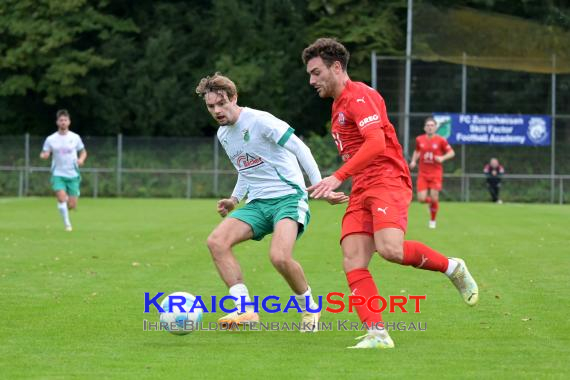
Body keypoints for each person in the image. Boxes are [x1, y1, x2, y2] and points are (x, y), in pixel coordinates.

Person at [302, 38, 478, 349]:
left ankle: (452, 267)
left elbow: (376, 144)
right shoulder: (338, 105)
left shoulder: (360, 97)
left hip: (387, 180)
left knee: (390, 250)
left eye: (316, 72)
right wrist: (337, 182)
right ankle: (378, 334)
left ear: (337, 67)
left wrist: (338, 176)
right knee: (353, 259)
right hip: (362, 187)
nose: (311, 80)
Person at [195, 73, 348, 332]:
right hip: (257, 203)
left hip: (288, 198)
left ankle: (310, 308)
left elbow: (301, 149)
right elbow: (246, 169)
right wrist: (234, 199)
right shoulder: (224, 134)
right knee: (217, 242)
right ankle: (245, 311)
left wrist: (320, 185)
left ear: (234, 98)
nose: (217, 111)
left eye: (221, 104)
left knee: (279, 257)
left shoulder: (260, 120)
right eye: (211, 106)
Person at [40, 109, 87, 232]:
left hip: (73, 174)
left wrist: (81, 159)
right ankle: (67, 224)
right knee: (61, 198)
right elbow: (45, 152)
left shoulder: (75, 137)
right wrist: (44, 155)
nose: (63, 122)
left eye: (65, 120)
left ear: (69, 122)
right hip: (58, 174)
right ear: (57, 122)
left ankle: (68, 201)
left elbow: (83, 151)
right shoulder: (51, 139)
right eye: (61, 120)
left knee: (72, 205)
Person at [409, 117, 455, 229]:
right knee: (421, 199)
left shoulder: (441, 140)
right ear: (424, 128)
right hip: (423, 173)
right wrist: (414, 161)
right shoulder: (419, 139)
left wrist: (442, 158)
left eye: (432, 125)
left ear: (435, 128)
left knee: (434, 197)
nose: (430, 127)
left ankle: (432, 220)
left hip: (436, 173)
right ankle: (432, 204)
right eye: (428, 125)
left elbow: (451, 152)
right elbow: (417, 150)